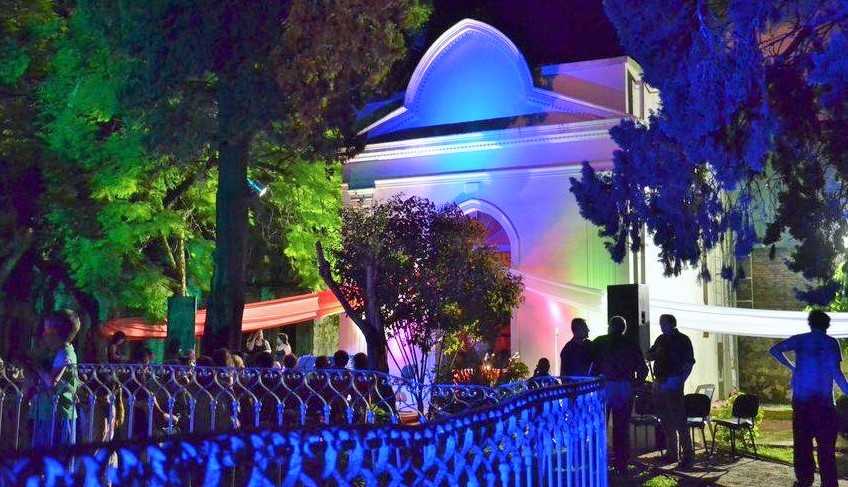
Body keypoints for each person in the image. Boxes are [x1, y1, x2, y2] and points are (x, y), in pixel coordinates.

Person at [770, 310, 848, 487]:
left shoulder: (800, 340)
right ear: (827, 326)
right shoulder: (831, 343)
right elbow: (837, 373)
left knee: (802, 446)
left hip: (802, 403)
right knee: (826, 450)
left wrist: (792, 367)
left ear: (810, 324)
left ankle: (805, 481)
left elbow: (774, 350)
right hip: (824, 404)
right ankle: (829, 484)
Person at [593, 316, 648, 473]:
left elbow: (591, 364)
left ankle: (598, 462)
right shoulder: (631, 344)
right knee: (622, 427)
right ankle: (621, 463)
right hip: (624, 386)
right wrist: (635, 383)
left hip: (605, 386)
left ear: (609, 326)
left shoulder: (599, 342)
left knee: (600, 425)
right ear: (624, 328)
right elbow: (642, 368)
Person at [645, 313, 695, 468]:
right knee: (666, 419)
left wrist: (681, 380)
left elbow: (689, 363)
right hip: (660, 381)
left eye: (664, 324)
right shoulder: (661, 339)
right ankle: (672, 452)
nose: (662, 327)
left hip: (673, 380)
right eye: (661, 324)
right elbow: (648, 355)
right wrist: (655, 354)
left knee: (679, 419)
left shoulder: (683, 340)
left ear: (673, 324)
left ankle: (688, 456)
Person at [29, 309, 81, 449]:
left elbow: (52, 382)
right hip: (47, 412)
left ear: (56, 333)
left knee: (55, 455)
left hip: (57, 415)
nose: (44, 335)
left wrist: (37, 367)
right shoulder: (57, 352)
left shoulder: (64, 353)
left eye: (46, 330)